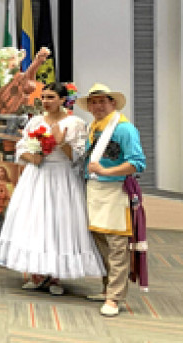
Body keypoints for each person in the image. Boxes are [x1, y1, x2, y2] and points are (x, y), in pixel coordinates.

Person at [0, 82, 106, 296]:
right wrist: (34, 155)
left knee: (58, 223)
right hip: (37, 176)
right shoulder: (35, 121)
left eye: (51, 97)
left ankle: (55, 276)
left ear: (63, 100)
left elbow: (79, 157)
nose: (45, 101)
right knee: (35, 222)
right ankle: (36, 273)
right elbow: (21, 146)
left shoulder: (75, 123)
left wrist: (61, 143)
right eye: (43, 97)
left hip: (62, 178)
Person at [79, 84, 146, 317]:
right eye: (93, 102)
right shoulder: (94, 128)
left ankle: (114, 297)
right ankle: (107, 288)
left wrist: (106, 172)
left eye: (102, 102)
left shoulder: (124, 129)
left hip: (116, 191)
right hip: (95, 190)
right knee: (102, 245)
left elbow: (137, 162)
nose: (97, 106)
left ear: (112, 104)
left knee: (117, 247)